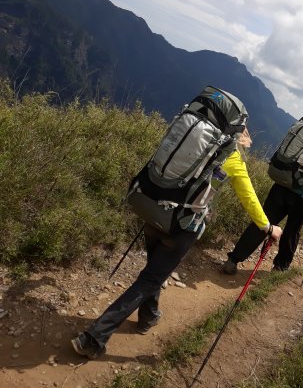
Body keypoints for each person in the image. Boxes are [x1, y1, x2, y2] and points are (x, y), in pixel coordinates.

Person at [71, 116, 283, 360]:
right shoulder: (231, 156)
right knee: (151, 278)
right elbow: (249, 198)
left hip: (154, 208)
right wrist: (268, 228)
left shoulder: (191, 141)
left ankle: (148, 317)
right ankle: (94, 337)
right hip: (182, 226)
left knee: (153, 272)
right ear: (239, 137)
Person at [222, 111, 303, 274]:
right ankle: (280, 267)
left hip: (282, 184)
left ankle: (233, 259)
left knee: (263, 223)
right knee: (292, 231)